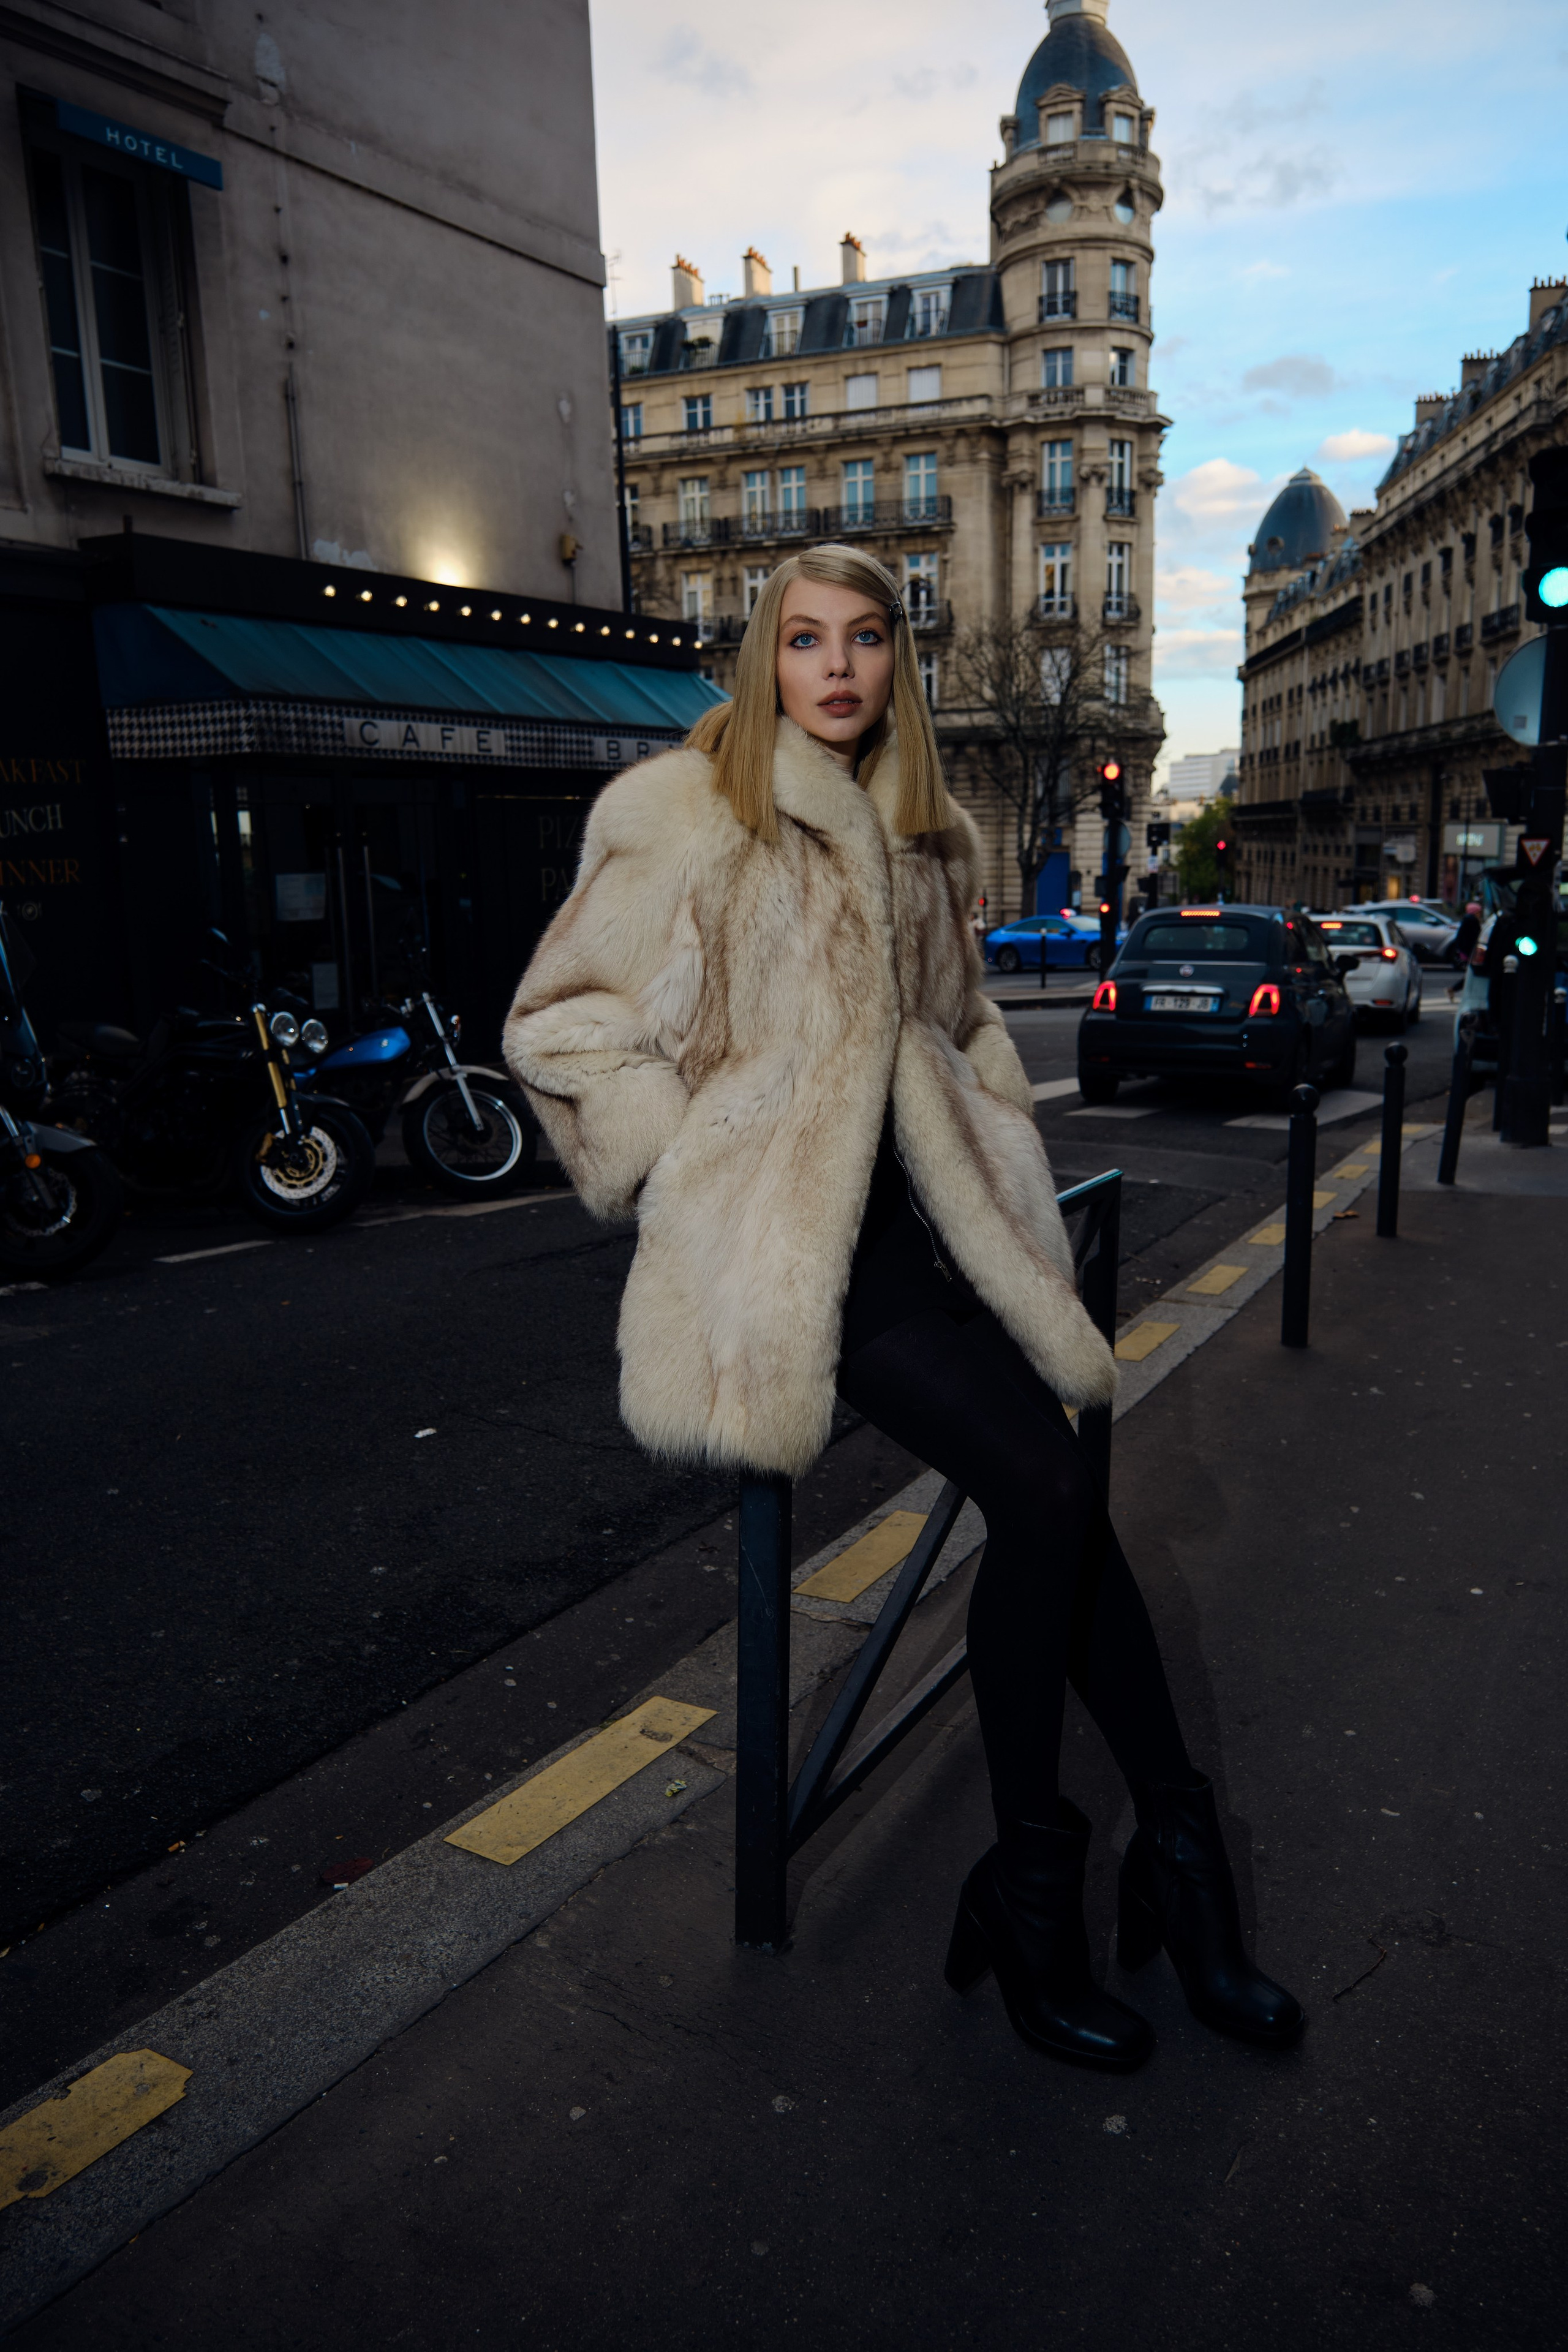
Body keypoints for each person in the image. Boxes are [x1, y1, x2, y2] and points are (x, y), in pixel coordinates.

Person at [504, 546, 1303, 2074]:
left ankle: (1163, 1863)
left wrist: (985, 1137)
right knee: (1051, 1483)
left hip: (924, 1244)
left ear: (893, 661)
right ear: (765, 658)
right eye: (804, 640)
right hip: (804, 1260)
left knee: (1061, 1517)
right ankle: (1048, 1880)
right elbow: (555, 1020)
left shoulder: (920, 836)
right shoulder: (686, 811)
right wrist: (689, 1158)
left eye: (864, 639)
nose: (837, 667)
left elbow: (962, 1028)